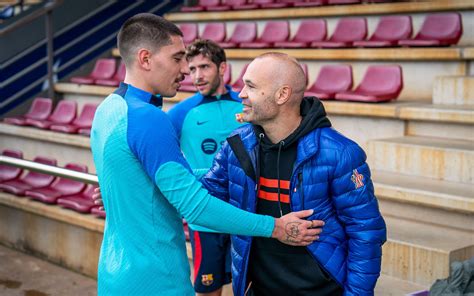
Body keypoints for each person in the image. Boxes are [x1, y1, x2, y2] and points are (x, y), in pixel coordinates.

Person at [90, 14, 322, 296]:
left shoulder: (108, 109)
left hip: (115, 275)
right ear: (145, 59)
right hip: (155, 280)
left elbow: (148, 177)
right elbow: (195, 206)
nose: (186, 71)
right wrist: (275, 227)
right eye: (177, 58)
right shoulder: (149, 118)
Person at [200, 52, 387, 296]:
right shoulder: (235, 146)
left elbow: (366, 233)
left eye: (251, 86)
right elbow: (204, 198)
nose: (241, 94)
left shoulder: (339, 153)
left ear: (282, 95)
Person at [167, 39, 241, 296]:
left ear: (222, 68)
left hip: (245, 213)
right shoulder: (181, 113)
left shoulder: (246, 107)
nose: (197, 76)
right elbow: (156, 154)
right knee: (209, 289)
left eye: (205, 67)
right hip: (205, 216)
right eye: (193, 69)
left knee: (253, 285)